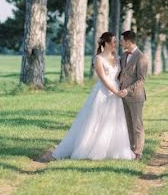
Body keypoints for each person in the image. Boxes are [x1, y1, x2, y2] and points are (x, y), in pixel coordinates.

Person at [51, 32, 134, 160]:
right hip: (104, 92)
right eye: (113, 42)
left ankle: (113, 150)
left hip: (116, 92)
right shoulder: (98, 59)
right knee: (96, 120)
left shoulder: (116, 57)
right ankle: (90, 148)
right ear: (106, 43)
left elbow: (119, 75)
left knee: (115, 121)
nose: (115, 44)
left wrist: (122, 89)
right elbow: (104, 79)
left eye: (116, 42)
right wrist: (115, 91)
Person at [117, 30, 149, 159]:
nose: (120, 43)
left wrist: (128, 90)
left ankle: (138, 153)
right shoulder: (123, 56)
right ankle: (131, 150)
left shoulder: (141, 57)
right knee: (128, 125)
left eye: (122, 41)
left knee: (137, 125)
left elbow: (141, 80)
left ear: (128, 42)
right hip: (123, 96)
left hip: (135, 97)